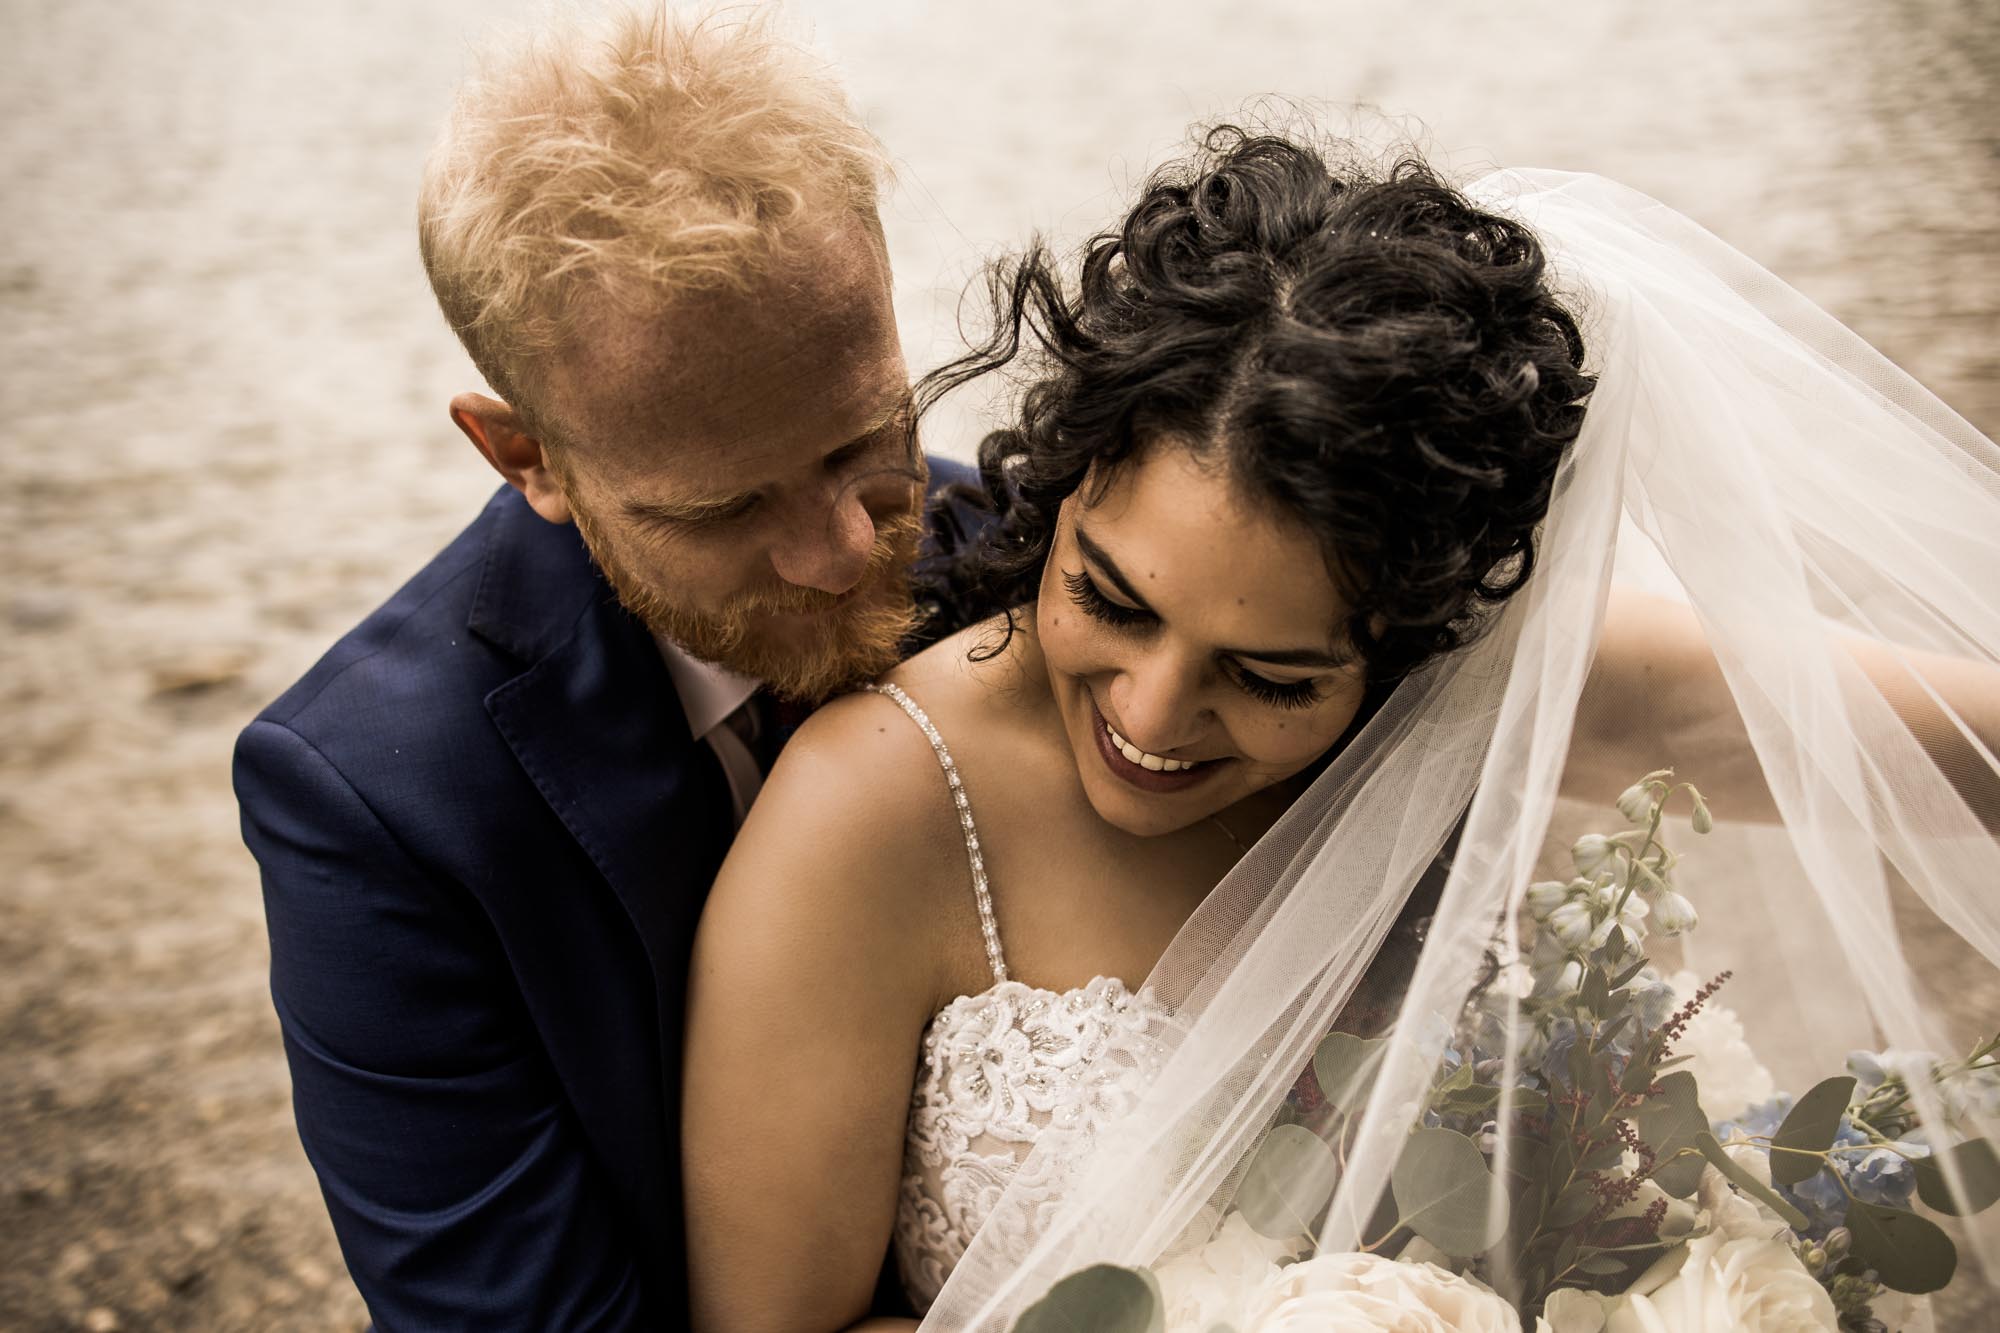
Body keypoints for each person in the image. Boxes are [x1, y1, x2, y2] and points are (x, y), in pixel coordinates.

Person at [681, 128, 2000, 1333]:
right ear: (1069, 475)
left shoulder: (1472, 695)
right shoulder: (872, 811)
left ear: (1408, 639)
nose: (1150, 714)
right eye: (1110, 597)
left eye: (1271, 676)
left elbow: (1962, 741)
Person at [231, 7, 977, 1328]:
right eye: (721, 509)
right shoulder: (374, 806)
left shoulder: (1044, 563)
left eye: (868, 435)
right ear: (526, 458)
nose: (843, 550)